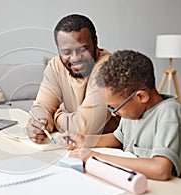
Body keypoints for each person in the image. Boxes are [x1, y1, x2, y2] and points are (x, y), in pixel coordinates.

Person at [62, 50, 181, 180]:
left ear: (140, 96)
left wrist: (94, 157)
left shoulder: (169, 112)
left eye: (115, 108)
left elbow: (160, 169)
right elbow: (117, 139)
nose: (114, 114)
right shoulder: (133, 112)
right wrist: (84, 140)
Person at [25, 14, 120, 144]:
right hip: (74, 145)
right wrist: (40, 123)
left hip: (107, 148)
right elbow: (42, 106)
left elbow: (84, 129)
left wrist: (55, 115)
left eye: (83, 49)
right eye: (67, 52)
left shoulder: (108, 68)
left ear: (95, 42)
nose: (75, 58)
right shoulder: (56, 65)